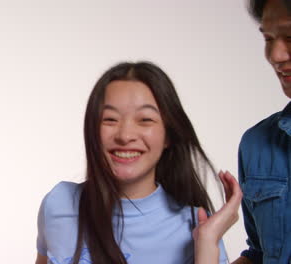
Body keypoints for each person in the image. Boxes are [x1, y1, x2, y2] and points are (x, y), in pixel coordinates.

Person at [35, 62, 242, 264]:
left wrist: (207, 242)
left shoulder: (195, 225)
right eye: (110, 119)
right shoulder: (59, 203)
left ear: (168, 135)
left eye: (145, 120)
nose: (125, 135)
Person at [232, 1, 291, 264]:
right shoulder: (256, 144)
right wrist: (207, 243)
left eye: (290, 37)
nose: (276, 55)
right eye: (268, 38)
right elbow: (259, 254)